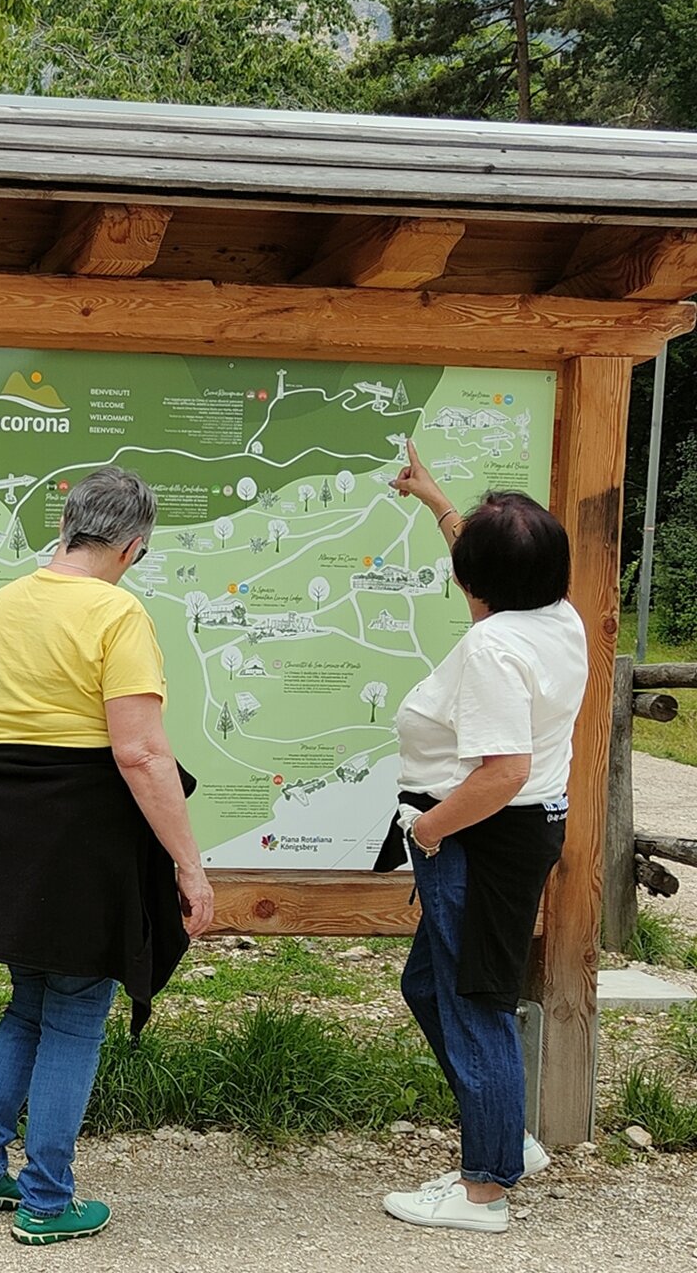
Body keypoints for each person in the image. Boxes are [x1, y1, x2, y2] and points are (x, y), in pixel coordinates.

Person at [0, 466, 214, 1247]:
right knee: (78, 1014)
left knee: (29, 1002)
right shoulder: (118, 613)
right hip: (79, 837)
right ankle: (48, 1199)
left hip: (1, 827)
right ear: (134, 546)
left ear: (69, 524)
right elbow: (142, 753)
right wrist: (189, 865)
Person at [378, 442, 587, 1234]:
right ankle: (506, 1139)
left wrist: (428, 830)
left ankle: (485, 1188)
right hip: (512, 832)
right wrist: (440, 504)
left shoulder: (497, 649)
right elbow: (497, 574)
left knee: (473, 1001)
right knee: (430, 987)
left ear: (476, 584)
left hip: (479, 836)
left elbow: (501, 771)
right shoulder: (553, 616)